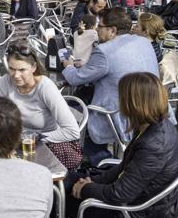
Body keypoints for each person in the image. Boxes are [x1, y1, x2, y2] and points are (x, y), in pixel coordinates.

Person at [65, 72, 178, 218]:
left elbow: (120, 194)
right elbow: (124, 167)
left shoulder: (153, 145)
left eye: (121, 96)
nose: (119, 100)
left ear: (134, 103)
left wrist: (85, 189)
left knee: (61, 199)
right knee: (66, 182)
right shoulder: (153, 125)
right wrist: (92, 181)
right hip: (146, 209)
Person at [62, 8, 160, 165]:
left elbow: (75, 78)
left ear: (112, 30)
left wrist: (68, 66)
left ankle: (103, 164)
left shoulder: (104, 51)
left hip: (119, 114)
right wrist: (88, 66)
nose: (96, 30)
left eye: (99, 26)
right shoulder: (142, 41)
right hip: (152, 108)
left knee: (71, 116)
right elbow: (119, 67)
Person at [0, 42, 82, 169]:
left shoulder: (45, 87)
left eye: (22, 70)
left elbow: (73, 131)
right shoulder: (5, 81)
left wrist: (35, 138)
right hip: (17, 144)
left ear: (33, 67)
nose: (16, 75)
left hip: (46, 145)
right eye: (11, 69)